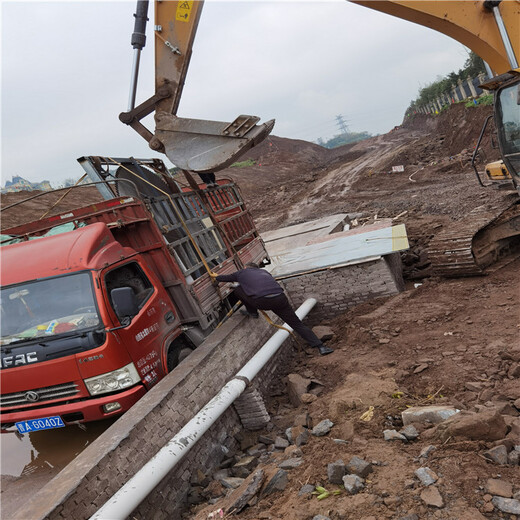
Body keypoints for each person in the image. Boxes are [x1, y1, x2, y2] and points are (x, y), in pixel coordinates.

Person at [210, 263, 333, 356]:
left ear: (246, 268)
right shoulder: (264, 272)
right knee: (297, 324)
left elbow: (223, 278)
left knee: (237, 289)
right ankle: (321, 347)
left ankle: (252, 312)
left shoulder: (241, 273)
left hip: (262, 302)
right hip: (280, 299)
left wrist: (216, 277)